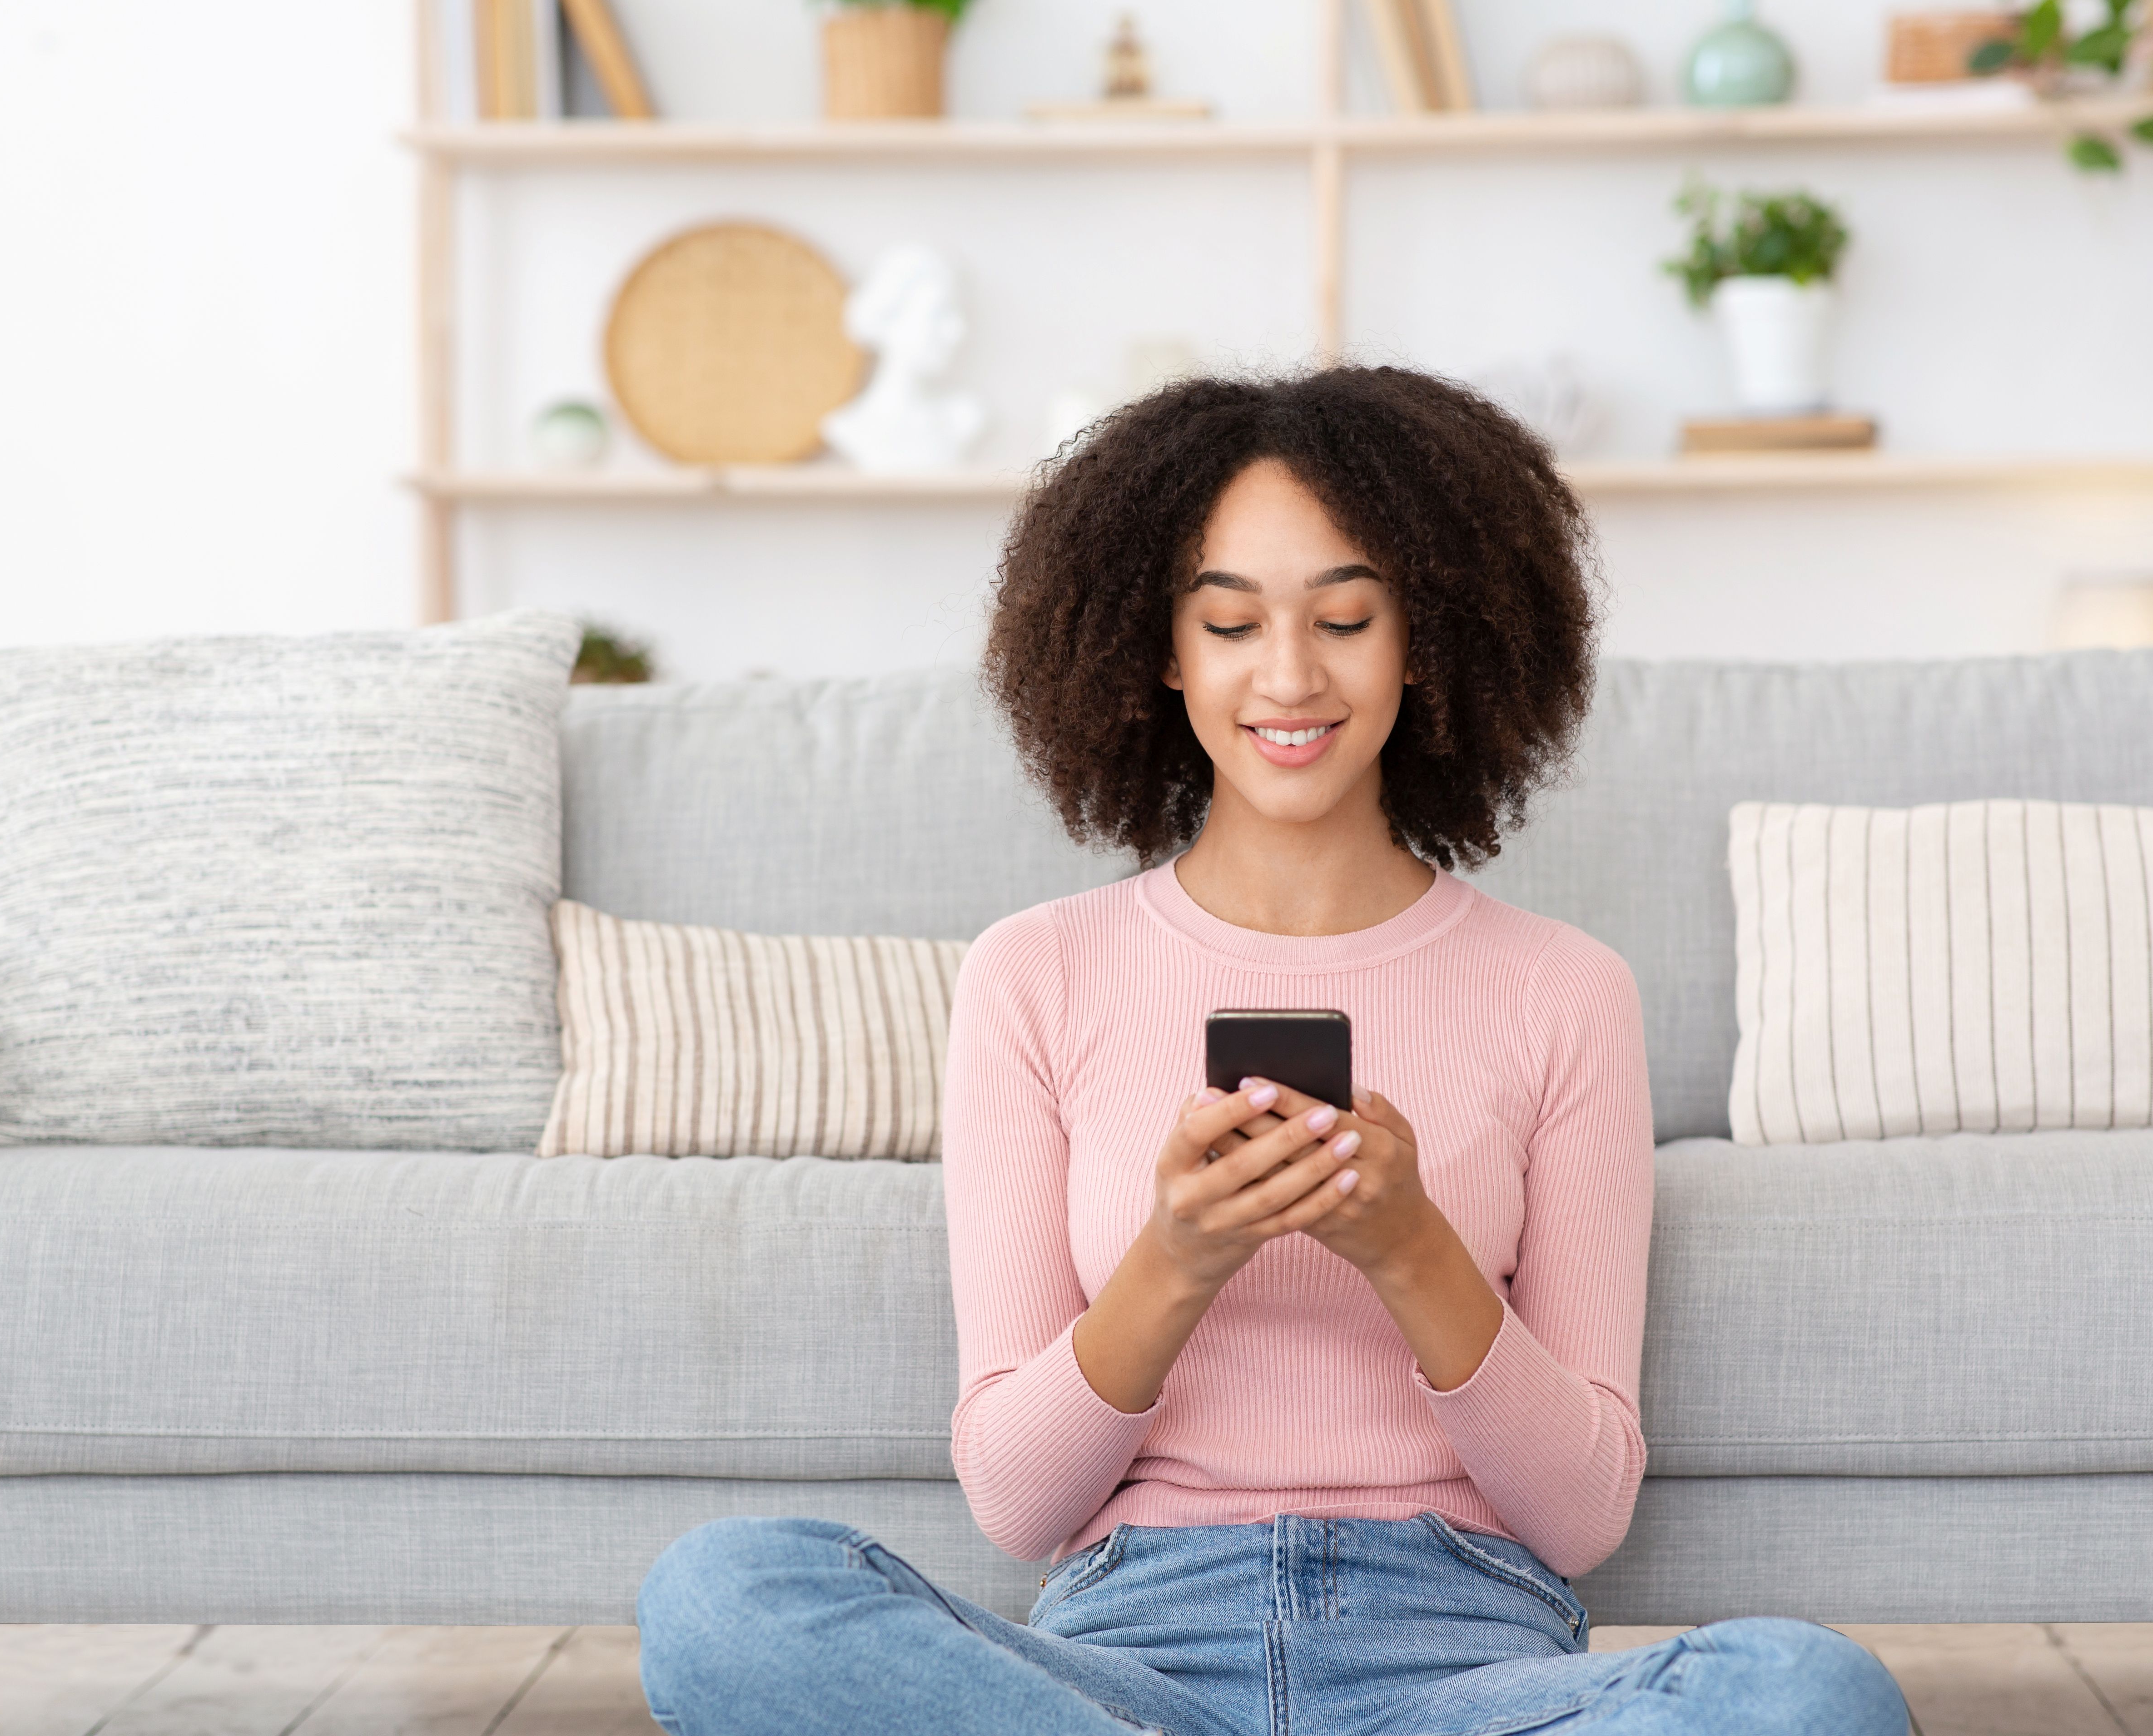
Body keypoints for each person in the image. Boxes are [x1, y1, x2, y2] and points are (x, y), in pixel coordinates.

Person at [636, 366, 1909, 1736]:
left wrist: (1410, 1247)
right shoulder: (1035, 972)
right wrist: (1177, 1259)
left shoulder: (1565, 989)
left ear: (1426, 639)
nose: (1290, 676)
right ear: (1161, 650)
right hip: (1130, 1663)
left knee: (1805, 1695)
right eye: (1231, 622)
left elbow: (1586, 1513)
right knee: (722, 1597)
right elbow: (1016, 1502)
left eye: (1346, 618)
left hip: (1464, 1665)